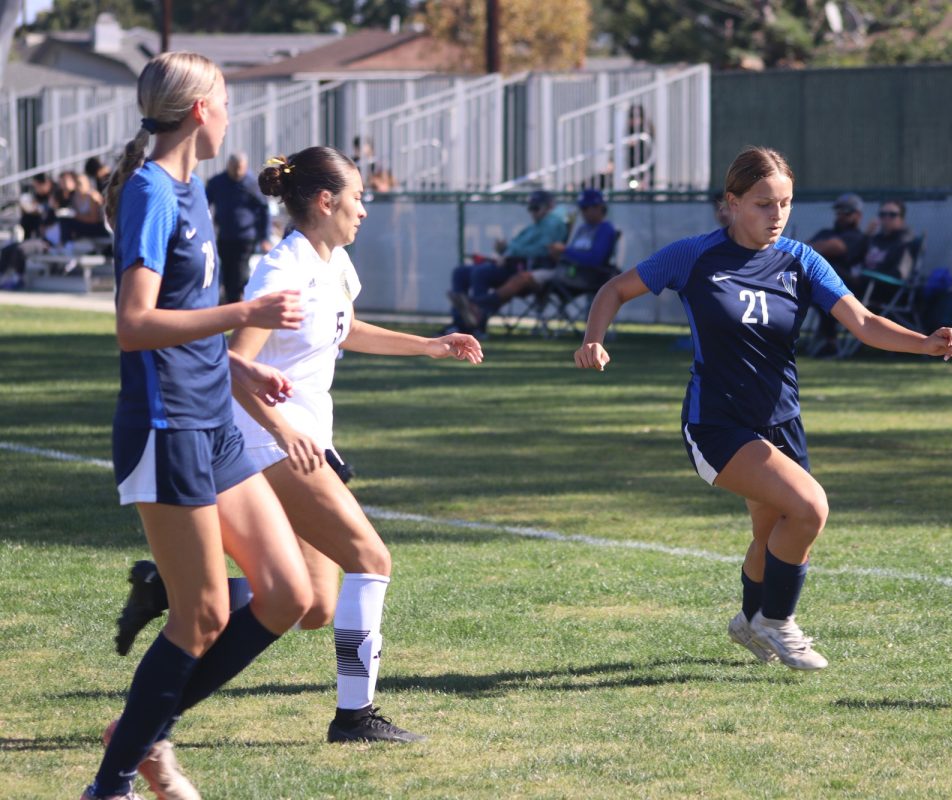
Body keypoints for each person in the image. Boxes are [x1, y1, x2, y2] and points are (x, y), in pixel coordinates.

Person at [113, 145, 484, 745]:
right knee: (373, 559)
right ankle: (354, 717)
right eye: (358, 198)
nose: (365, 209)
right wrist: (283, 430)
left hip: (304, 443)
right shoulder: (282, 270)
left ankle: (167, 588)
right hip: (268, 446)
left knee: (312, 604)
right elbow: (234, 362)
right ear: (324, 200)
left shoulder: (333, 263)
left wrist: (427, 345)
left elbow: (345, 328)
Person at [574, 146, 952, 671]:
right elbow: (615, 289)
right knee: (810, 508)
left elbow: (864, 323)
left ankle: (749, 620)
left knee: (771, 532)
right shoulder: (694, 255)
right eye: (762, 204)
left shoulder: (801, 261)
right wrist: (594, 339)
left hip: (782, 420)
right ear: (732, 203)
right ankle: (778, 622)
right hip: (716, 424)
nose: (776, 215)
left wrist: (925, 343)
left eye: (785, 204)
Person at [81, 51, 314, 800]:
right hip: (167, 426)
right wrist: (247, 315)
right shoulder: (152, 192)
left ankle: (142, 724)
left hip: (211, 417)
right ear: (201, 111)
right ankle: (112, 783)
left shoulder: (193, 191)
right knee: (206, 613)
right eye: (227, 100)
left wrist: (239, 368)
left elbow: (185, 321)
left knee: (287, 594)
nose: (231, 114)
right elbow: (135, 323)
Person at [470, 188, 617, 316]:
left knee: (522, 278)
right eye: (582, 208)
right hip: (565, 270)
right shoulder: (583, 228)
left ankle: (478, 307)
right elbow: (572, 252)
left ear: (599, 207)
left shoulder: (605, 229)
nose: (583, 212)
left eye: (586, 208)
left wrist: (565, 250)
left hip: (583, 276)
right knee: (507, 276)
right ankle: (479, 310)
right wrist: (558, 253)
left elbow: (595, 259)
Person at [445, 189, 567, 334]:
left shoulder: (553, 222)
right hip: (512, 264)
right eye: (530, 208)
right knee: (461, 272)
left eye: (536, 207)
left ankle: (476, 324)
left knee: (480, 273)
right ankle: (460, 322)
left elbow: (543, 249)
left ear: (549, 206)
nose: (532, 212)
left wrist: (510, 252)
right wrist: (505, 250)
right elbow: (520, 247)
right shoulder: (536, 226)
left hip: (524, 268)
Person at [807, 192, 869, 355]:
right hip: (816, 285)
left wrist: (820, 247)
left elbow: (836, 247)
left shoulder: (857, 237)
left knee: (826, 278)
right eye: (839, 211)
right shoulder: (826, 232)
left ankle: (831, 342)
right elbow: (804, 250)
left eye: (846, 212)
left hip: (848, 287)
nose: (841, 215)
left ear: (857, 215)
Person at [206, 152, 272, 303]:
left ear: (245, 167)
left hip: (245, 237)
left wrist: (265, 237)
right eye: (234, 168)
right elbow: (204, 203)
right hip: (224, 235)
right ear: (228, 165)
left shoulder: (252, 184)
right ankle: (231, 302)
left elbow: (264, 210)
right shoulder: (217, 182)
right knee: (227, 272)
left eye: (240, 168)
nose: (237, 172)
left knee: (239, 272)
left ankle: (237, 301)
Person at [860, 199, 919, 306]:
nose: (886, 218)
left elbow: (900, 274)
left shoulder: (905, 242)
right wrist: (866, 236)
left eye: (892, 215)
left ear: (902, 219)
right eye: (883, 214)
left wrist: (869, 276)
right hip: (865, 282)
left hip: (881, 288)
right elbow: (854, 257)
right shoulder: (876, 238)